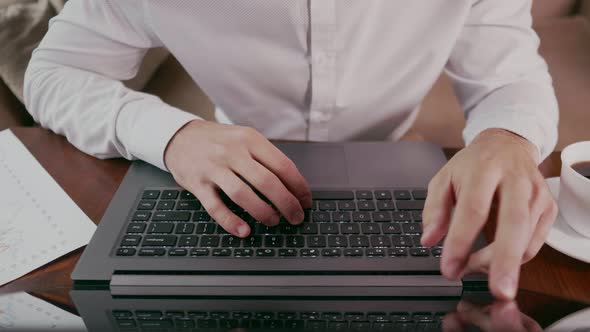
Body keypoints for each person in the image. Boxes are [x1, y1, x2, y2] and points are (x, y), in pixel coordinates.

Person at [23, 1, 559, 301]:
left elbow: (509, 79)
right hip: (216, 180)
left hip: (398, 169)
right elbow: (54, 72)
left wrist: (507, 138)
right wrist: (172, 136)